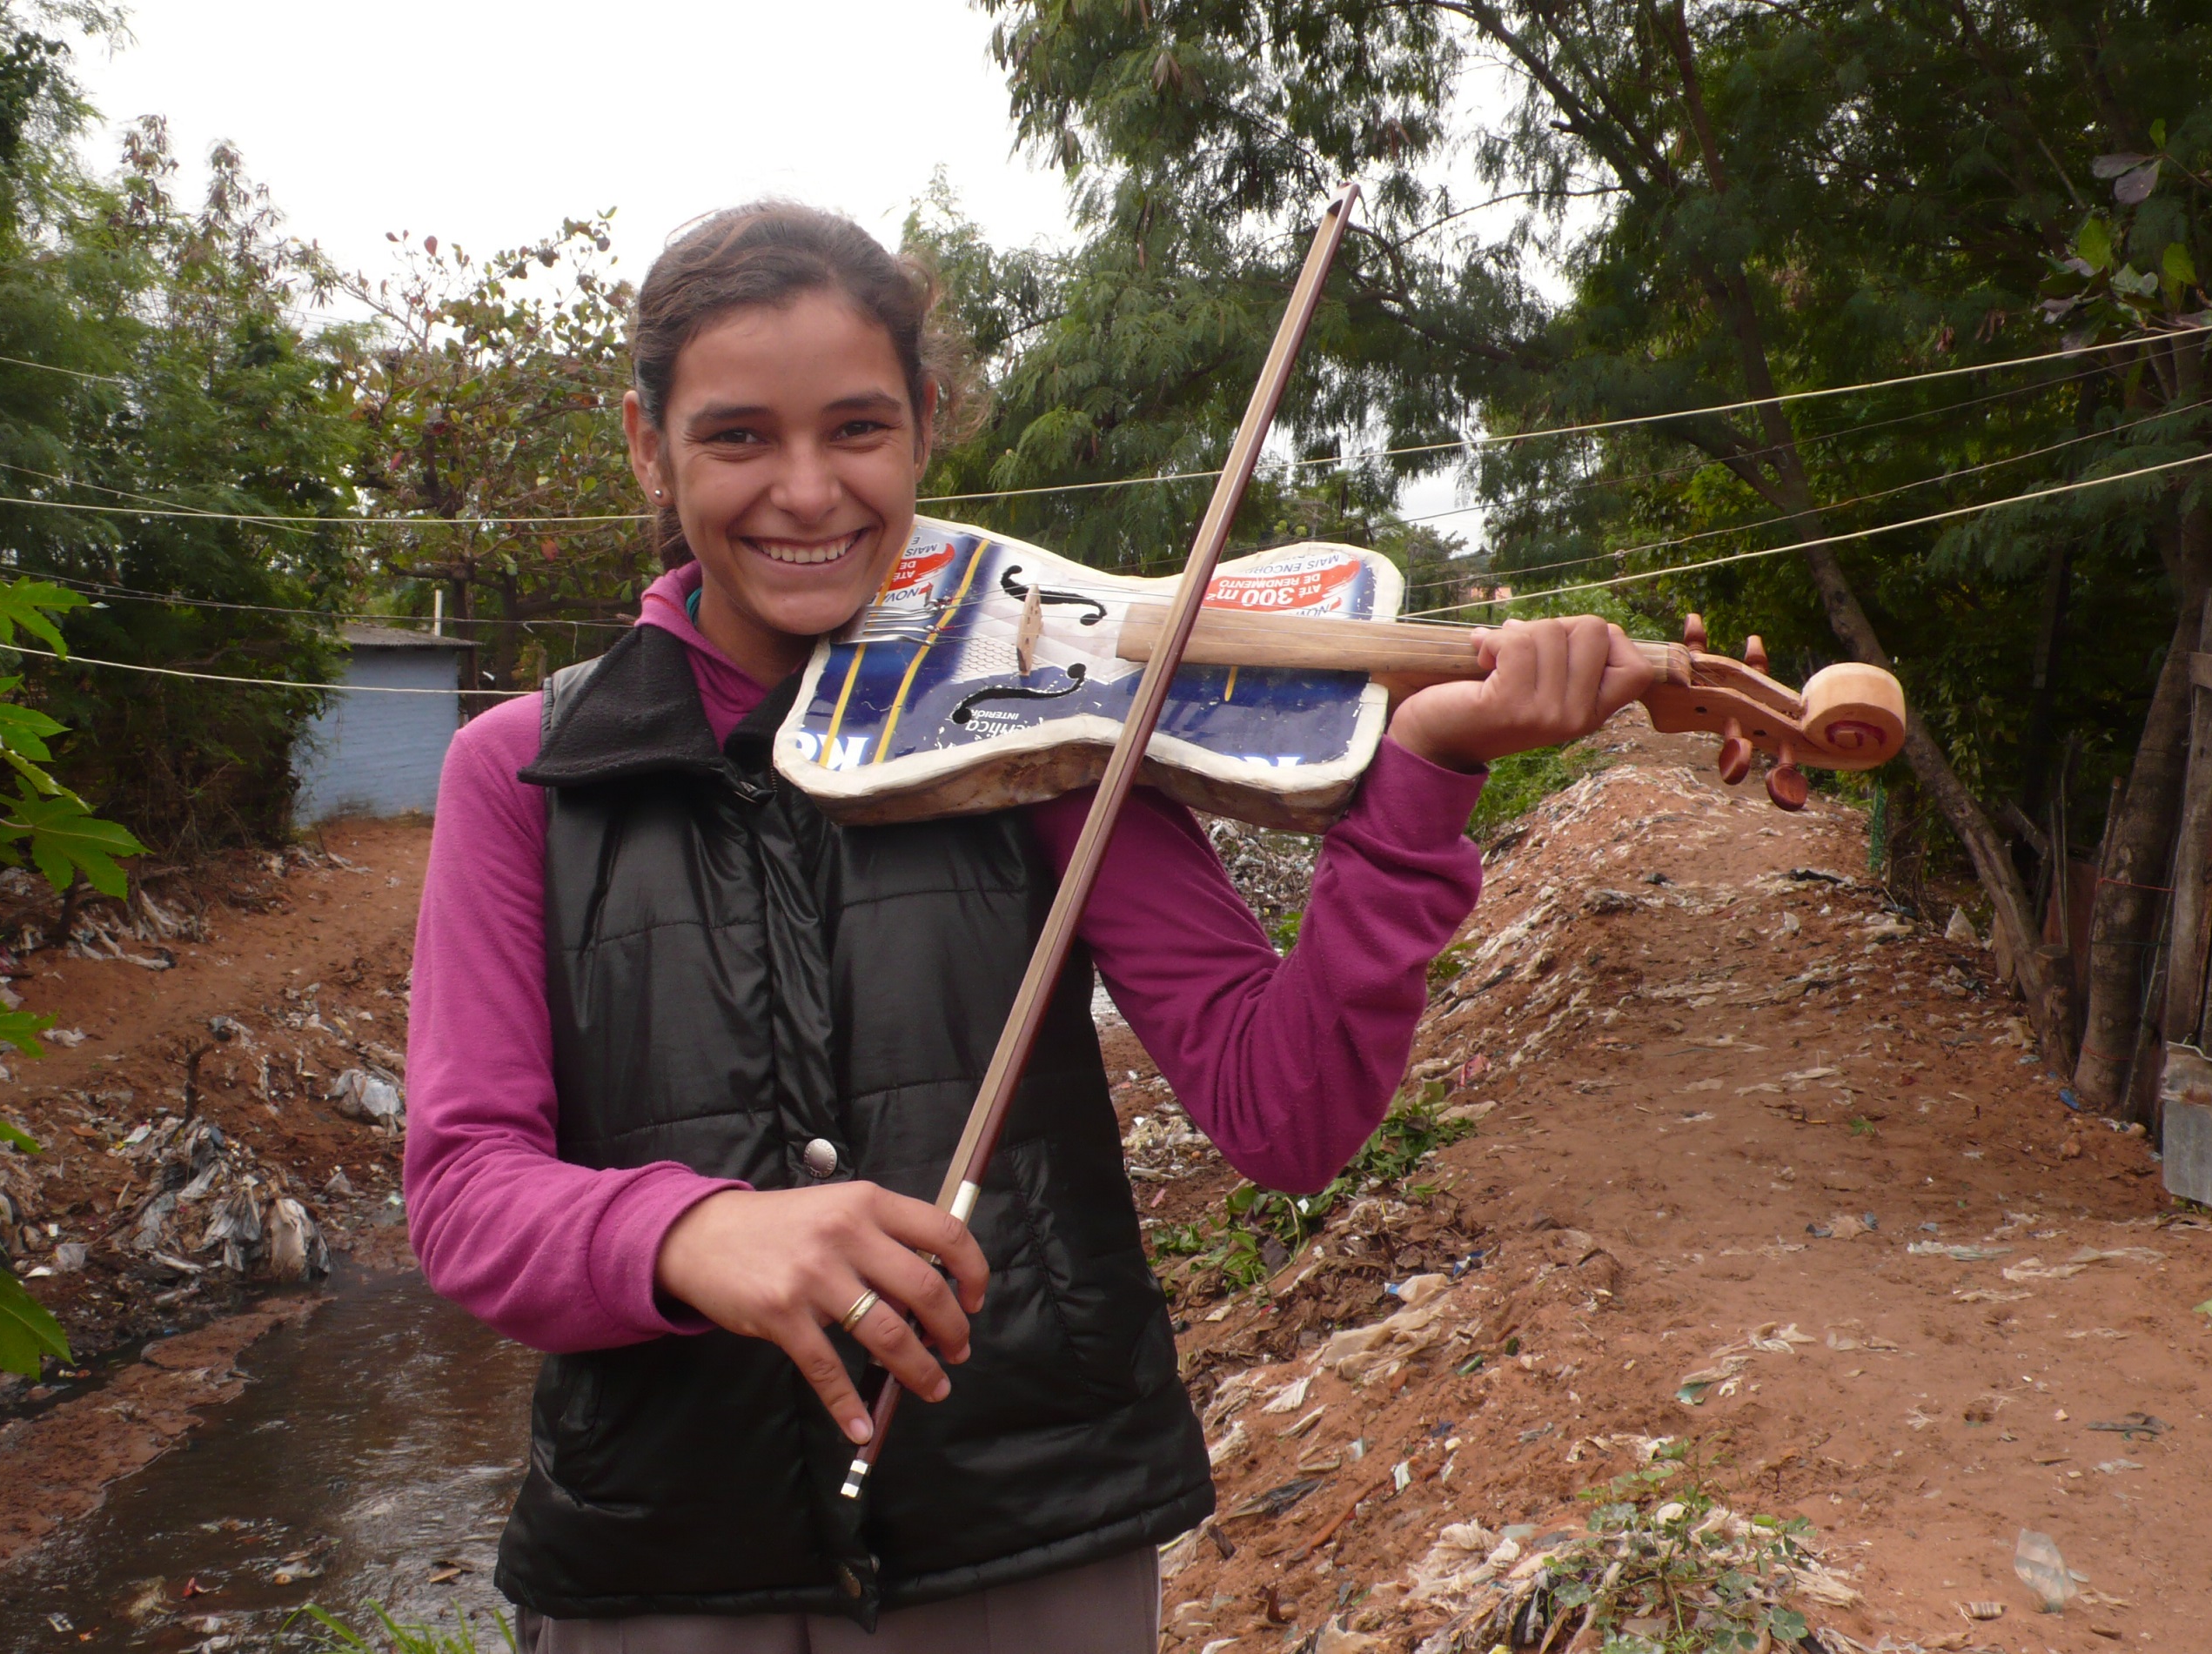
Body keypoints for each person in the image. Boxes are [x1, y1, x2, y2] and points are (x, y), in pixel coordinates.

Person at [405, 200, 1652, 1654]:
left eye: (858, 429)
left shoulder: (1053, 719)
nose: (805, 492)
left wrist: (1423, 781)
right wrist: (697, 1229)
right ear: (646, 444)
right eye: (738, 436)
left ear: (925, 423)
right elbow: (465, 1192)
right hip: (654, 1578)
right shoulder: (523, 772)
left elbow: (1282, 1113)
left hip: (1033, 1544)